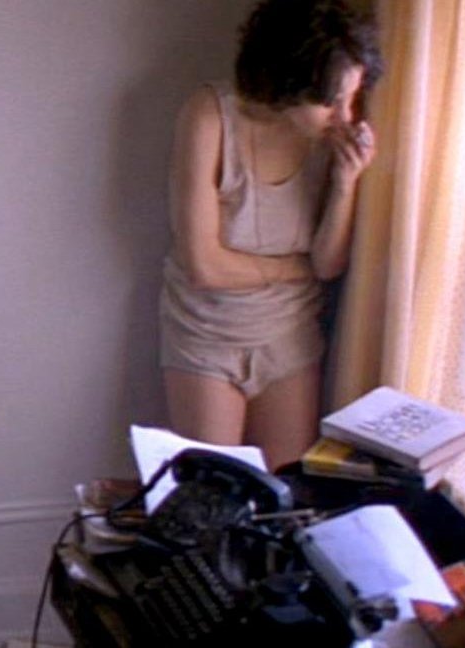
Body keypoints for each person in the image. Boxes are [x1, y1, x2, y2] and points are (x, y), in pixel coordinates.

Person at [159, 0, 383, 470]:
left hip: (289, 332)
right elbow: (205, 266)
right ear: (287, 83)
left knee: (285, 489)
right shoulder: (210, 116)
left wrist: (345, 184)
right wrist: (293, 270)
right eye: (330, 101)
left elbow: (328, 265)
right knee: (213, 491)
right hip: (207, 331)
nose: (344, 116)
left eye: (351, 99)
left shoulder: (329, 142)